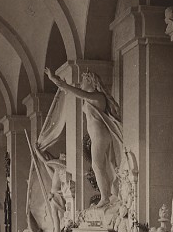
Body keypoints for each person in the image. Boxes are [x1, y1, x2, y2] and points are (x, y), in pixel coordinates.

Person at [44, 67, 123, 208]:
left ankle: (105, 197)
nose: (81, 83)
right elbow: (70, 91)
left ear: (90, 81)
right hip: (97, 135)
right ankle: (111, 194)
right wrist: (55, 80)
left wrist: (56, 80)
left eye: (83, 80)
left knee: (97, 165)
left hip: (100, 135)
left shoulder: (98, 96)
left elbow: (74, 91)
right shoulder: (91, 97)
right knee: (106, 165)